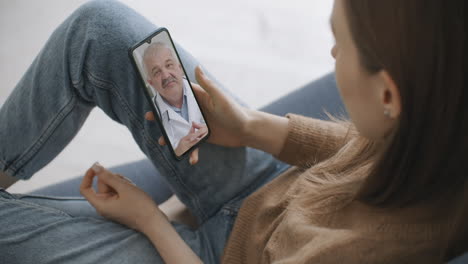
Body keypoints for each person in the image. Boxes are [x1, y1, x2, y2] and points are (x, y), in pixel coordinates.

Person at [0, 0, 467, 263]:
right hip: (263, 188)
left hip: (210, 256)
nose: (330, 55)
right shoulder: (438, 124)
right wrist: (249, 127)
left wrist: (151, 219)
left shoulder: (358, 254)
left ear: (388, 97)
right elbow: (358, 145)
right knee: (99, 29)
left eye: (339, 44)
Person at [143, 42, 208, 155]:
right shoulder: (151, 115)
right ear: (151, 83)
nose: (166, 75)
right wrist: (177, 151)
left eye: (169, 65)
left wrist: (210, 129)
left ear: (180, 68)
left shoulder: (202, 90)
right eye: (157, 72)